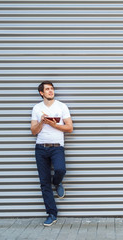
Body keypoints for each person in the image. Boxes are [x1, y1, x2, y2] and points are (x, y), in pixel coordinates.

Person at [30, 81, 73, 226]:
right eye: (47, 89)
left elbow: (70, 128)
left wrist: (55, 125)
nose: (50, 91)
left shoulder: (62, 106)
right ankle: (52, 214)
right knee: (44, 183)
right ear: (41, 93)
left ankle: (57, 181)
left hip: (57, 147)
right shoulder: (36, 108)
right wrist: (41, 122)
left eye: (52, 89)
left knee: (60, 169)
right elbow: (33, 131)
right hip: (40, 148)